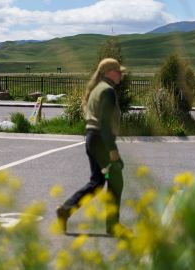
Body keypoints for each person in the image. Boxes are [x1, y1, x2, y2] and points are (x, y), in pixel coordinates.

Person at [56, 58, 125, 235]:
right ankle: (112, 225)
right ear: (109, 72)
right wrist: (112, 151)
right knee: (115, 181)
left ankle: (66, 210)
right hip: (100, 140)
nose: (121, 75)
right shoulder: (107, 91)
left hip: (93, 139)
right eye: (118, 72)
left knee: (98, 181)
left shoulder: (98, 88)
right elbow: (104, 124)